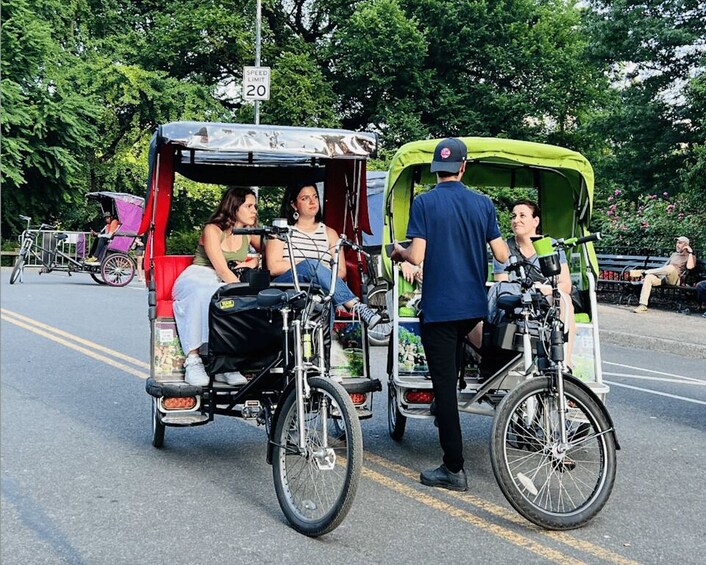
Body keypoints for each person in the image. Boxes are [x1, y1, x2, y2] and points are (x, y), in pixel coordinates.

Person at [390, 138, 509, 492]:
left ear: (436, 169)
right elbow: (501, 253)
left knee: (443, 386)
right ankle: (451, 428)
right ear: (463, 167)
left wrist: (398, 251)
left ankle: (453, 467)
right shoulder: (483, 204)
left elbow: (417, 257)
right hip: (473, 308)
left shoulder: (424, 203)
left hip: (440, 309)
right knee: (457, 371)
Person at [173, 187, 261, 386]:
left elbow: (271, 251)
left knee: (232, 298)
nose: (254, 210)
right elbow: (221, 269)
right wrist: (241, 291)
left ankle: (225, 363)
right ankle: (193, 359)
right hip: (199, 275)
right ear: (234, 207)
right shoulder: (212, 229)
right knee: (209, 294)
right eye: (248, 206)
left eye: (254, 206)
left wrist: (254, 262)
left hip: (222, 280)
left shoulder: (248, 231)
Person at [475, 199, 576, 367]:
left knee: (565, 301)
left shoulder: (549, 245)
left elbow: (565, 284)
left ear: (535, 221)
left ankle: (564, 361)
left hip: (544, 298)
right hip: (516, 300)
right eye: (514, 216)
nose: (516, 220)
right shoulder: (504, 247)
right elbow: (502, 284)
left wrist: (542, 289)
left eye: (522, 216)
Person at [266, 182, 382, 329]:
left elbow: (340, 272)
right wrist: (307, 265)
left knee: (324, 290)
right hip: (289, 285)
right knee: (310, 265)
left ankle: (325, 346)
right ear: (294, 205)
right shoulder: (281, 231)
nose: (312, 202)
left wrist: (320, 274)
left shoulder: (330, 233)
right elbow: (274, 267)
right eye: (305, 198)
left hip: (320, 289)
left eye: (315, 197)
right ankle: (354, 305)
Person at [631, 236, 696, 313]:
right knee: (649, 278)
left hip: (676, 280)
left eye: (680, 243)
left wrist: (691, 252)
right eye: (677, 243)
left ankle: (644, 272)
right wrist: (655, 275)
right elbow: (664, 268)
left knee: (671, 267)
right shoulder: (674, 254)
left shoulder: (690, 256)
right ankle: (643, 305)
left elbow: (690, 267)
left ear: (686, 245)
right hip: (665, 277)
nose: (677, 245)